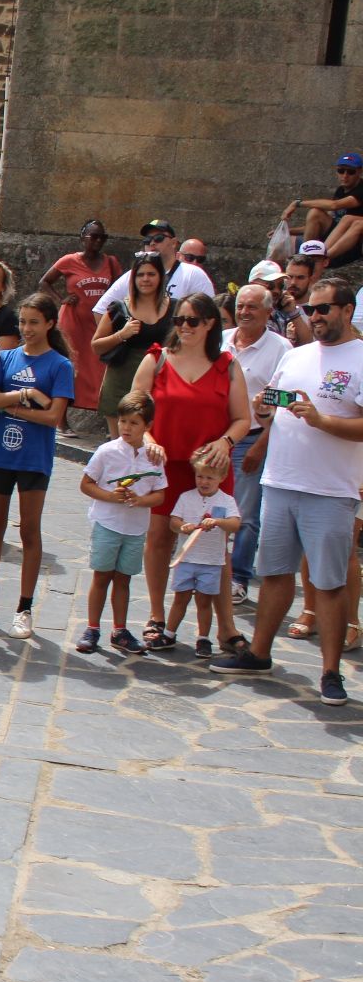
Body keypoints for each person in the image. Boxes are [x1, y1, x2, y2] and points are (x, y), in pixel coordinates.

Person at [211, 279, 363, 705]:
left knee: (328, 582)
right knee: (275, 573)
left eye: (323, 309)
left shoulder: (361, 358)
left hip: (330, 490)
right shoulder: (295, 356)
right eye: (310, 310)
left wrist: (322, 421)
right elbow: (271, 410)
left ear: (347, 310)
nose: (314, 317)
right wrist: (262, 409)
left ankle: (331, 673)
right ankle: (260, 653)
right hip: (280, 481)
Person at [129, 294, 251, 653]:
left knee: (216, 545)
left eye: (192, 321)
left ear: (210, 324)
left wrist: (225, 443)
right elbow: (135, 410)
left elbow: (243, 418)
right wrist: (149, 439)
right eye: (179, 320)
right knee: (159, 538)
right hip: (165, 465)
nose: (184, 327)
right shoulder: (157, 359)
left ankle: (226, 628)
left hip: (210, 468)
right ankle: (156, 616)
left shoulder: (227, 366)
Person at [0, 295, 77, 637]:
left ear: (50, 324)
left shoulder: (59, 366)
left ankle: (24, 608)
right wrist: (26, 397)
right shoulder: (6, 357)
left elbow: (54, 416)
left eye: (34, 322)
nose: (26, 329)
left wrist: (13, 409)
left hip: (33, 459)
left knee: (29, 530)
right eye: (23, 322)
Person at [78, 391, 167, 654]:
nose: (126, 428)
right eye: (123, 421)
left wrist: (141, 501)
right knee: (101, 575)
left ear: (147, 427)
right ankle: (92, 627)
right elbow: (86, 483)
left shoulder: (154, 459)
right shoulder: (107, 452)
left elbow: (160, 494)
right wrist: (109, 496)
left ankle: (120, 629)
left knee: (124, 579)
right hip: (108, 523)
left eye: (133, 423)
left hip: (136, 528)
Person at [226, 284, 292, 602]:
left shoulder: (282, 349)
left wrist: (261, 444)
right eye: (240, 306)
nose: (244, 312)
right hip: (217, 437)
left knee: (247, 515)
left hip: (251, 439)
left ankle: (239, 576)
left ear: (268, 312)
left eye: (252, 307)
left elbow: (283, 404)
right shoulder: (222, 340)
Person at [41, 220, 123, 412]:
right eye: (93, 236)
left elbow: (120, 288)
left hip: (99, 322)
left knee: (98, 366)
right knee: (71, 365)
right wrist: (61, 299)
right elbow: (45, 281)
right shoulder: (69, 261)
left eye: (102, 237)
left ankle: (96, 407)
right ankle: (63, 417)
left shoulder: (111, 262)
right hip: (74, 321)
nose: (97, 241)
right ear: (82, 237)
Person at [91, 254, 174, 438]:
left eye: (151, 274)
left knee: (152, 444)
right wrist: (122, 334)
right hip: (120, 379)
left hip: (158, 383)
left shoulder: (175, 308)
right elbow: (96, 346)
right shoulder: (119, 308)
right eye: (140, 274)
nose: (145, 279)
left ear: (160, 276)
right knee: (120, 445)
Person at [165, 461, 241, 657]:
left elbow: (235, 524)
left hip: (212, 562)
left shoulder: (226, 501)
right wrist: (183, 527)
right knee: (180, 598)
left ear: (221, 479)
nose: (204, 482)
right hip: (187, 558)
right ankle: (168, 633)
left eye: (210, 478)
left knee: (204, 602)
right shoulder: (186, 497)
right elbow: (173, 521)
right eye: (200, 476)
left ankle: (203, 638)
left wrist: (218, 521)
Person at [94, 220, 212, 312]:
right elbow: (100, 309)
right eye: (147, 240)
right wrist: (120, 338)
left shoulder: (193, 274)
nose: (152, 243)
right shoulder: (133, 275)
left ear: (174, 243)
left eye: (158, 238)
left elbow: (210, 313)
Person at [281, 152, 363, 261]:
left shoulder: (361, 189)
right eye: (341, 171)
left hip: (350, 242)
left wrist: (297, 203)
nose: (345, 176)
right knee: (315, 213)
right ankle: (307, 254)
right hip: (334, 237)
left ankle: (319, 257)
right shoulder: (341, 190)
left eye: (351, 172)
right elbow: (325, 222)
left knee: (347, 219)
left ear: (359, 172)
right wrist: (288, 231)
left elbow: (334, 205)